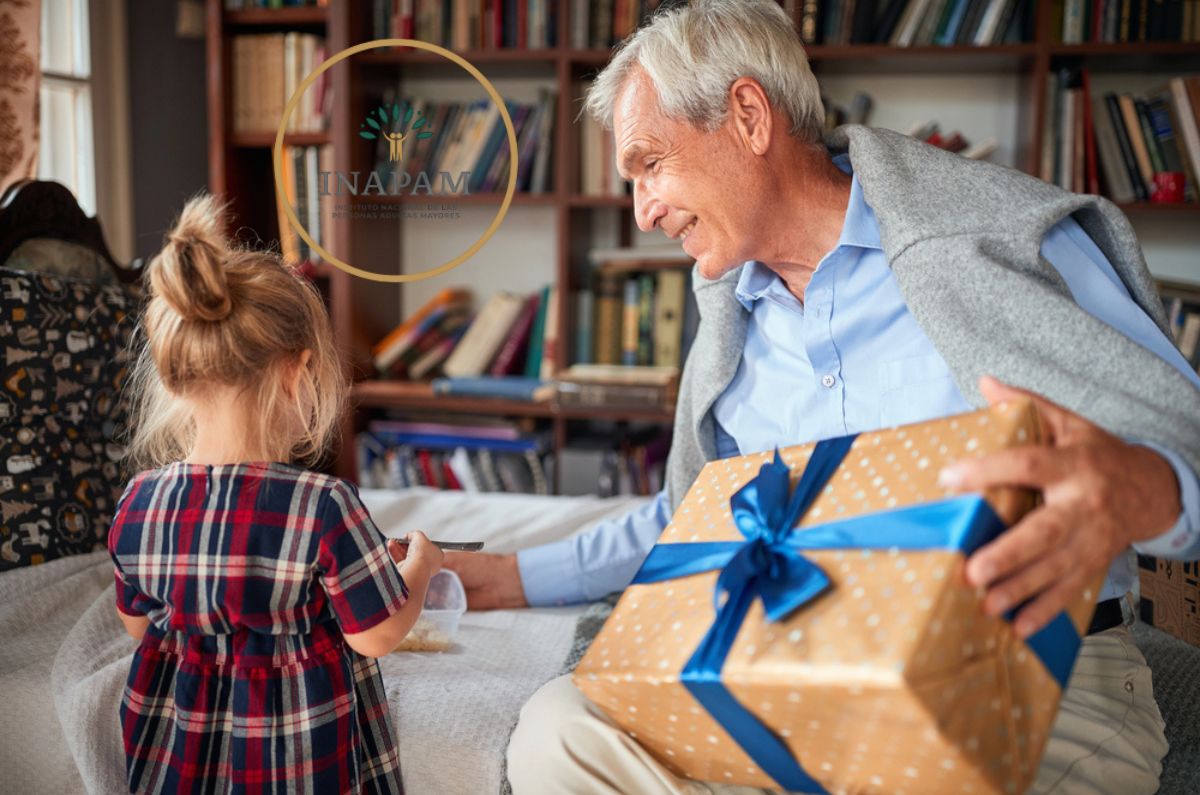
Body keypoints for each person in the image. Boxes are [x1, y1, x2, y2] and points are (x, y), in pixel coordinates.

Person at [442, 1, 1200, 793]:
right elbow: (693, 518)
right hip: (804, 673)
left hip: (1033, 673)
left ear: (747, 116)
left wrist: (1135, 491)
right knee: (561, 729)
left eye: (649, 163)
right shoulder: (728, 323)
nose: (644, 209)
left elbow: (1184, 432)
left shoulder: (997, 240)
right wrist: (505, 576)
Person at [106, 195, 444, 793]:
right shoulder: (322, 504)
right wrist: (420, 567)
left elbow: (137, 626)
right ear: (298, 371)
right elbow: (377, 633)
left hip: (173, 757)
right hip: (294, 757)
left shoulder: (139, 501)